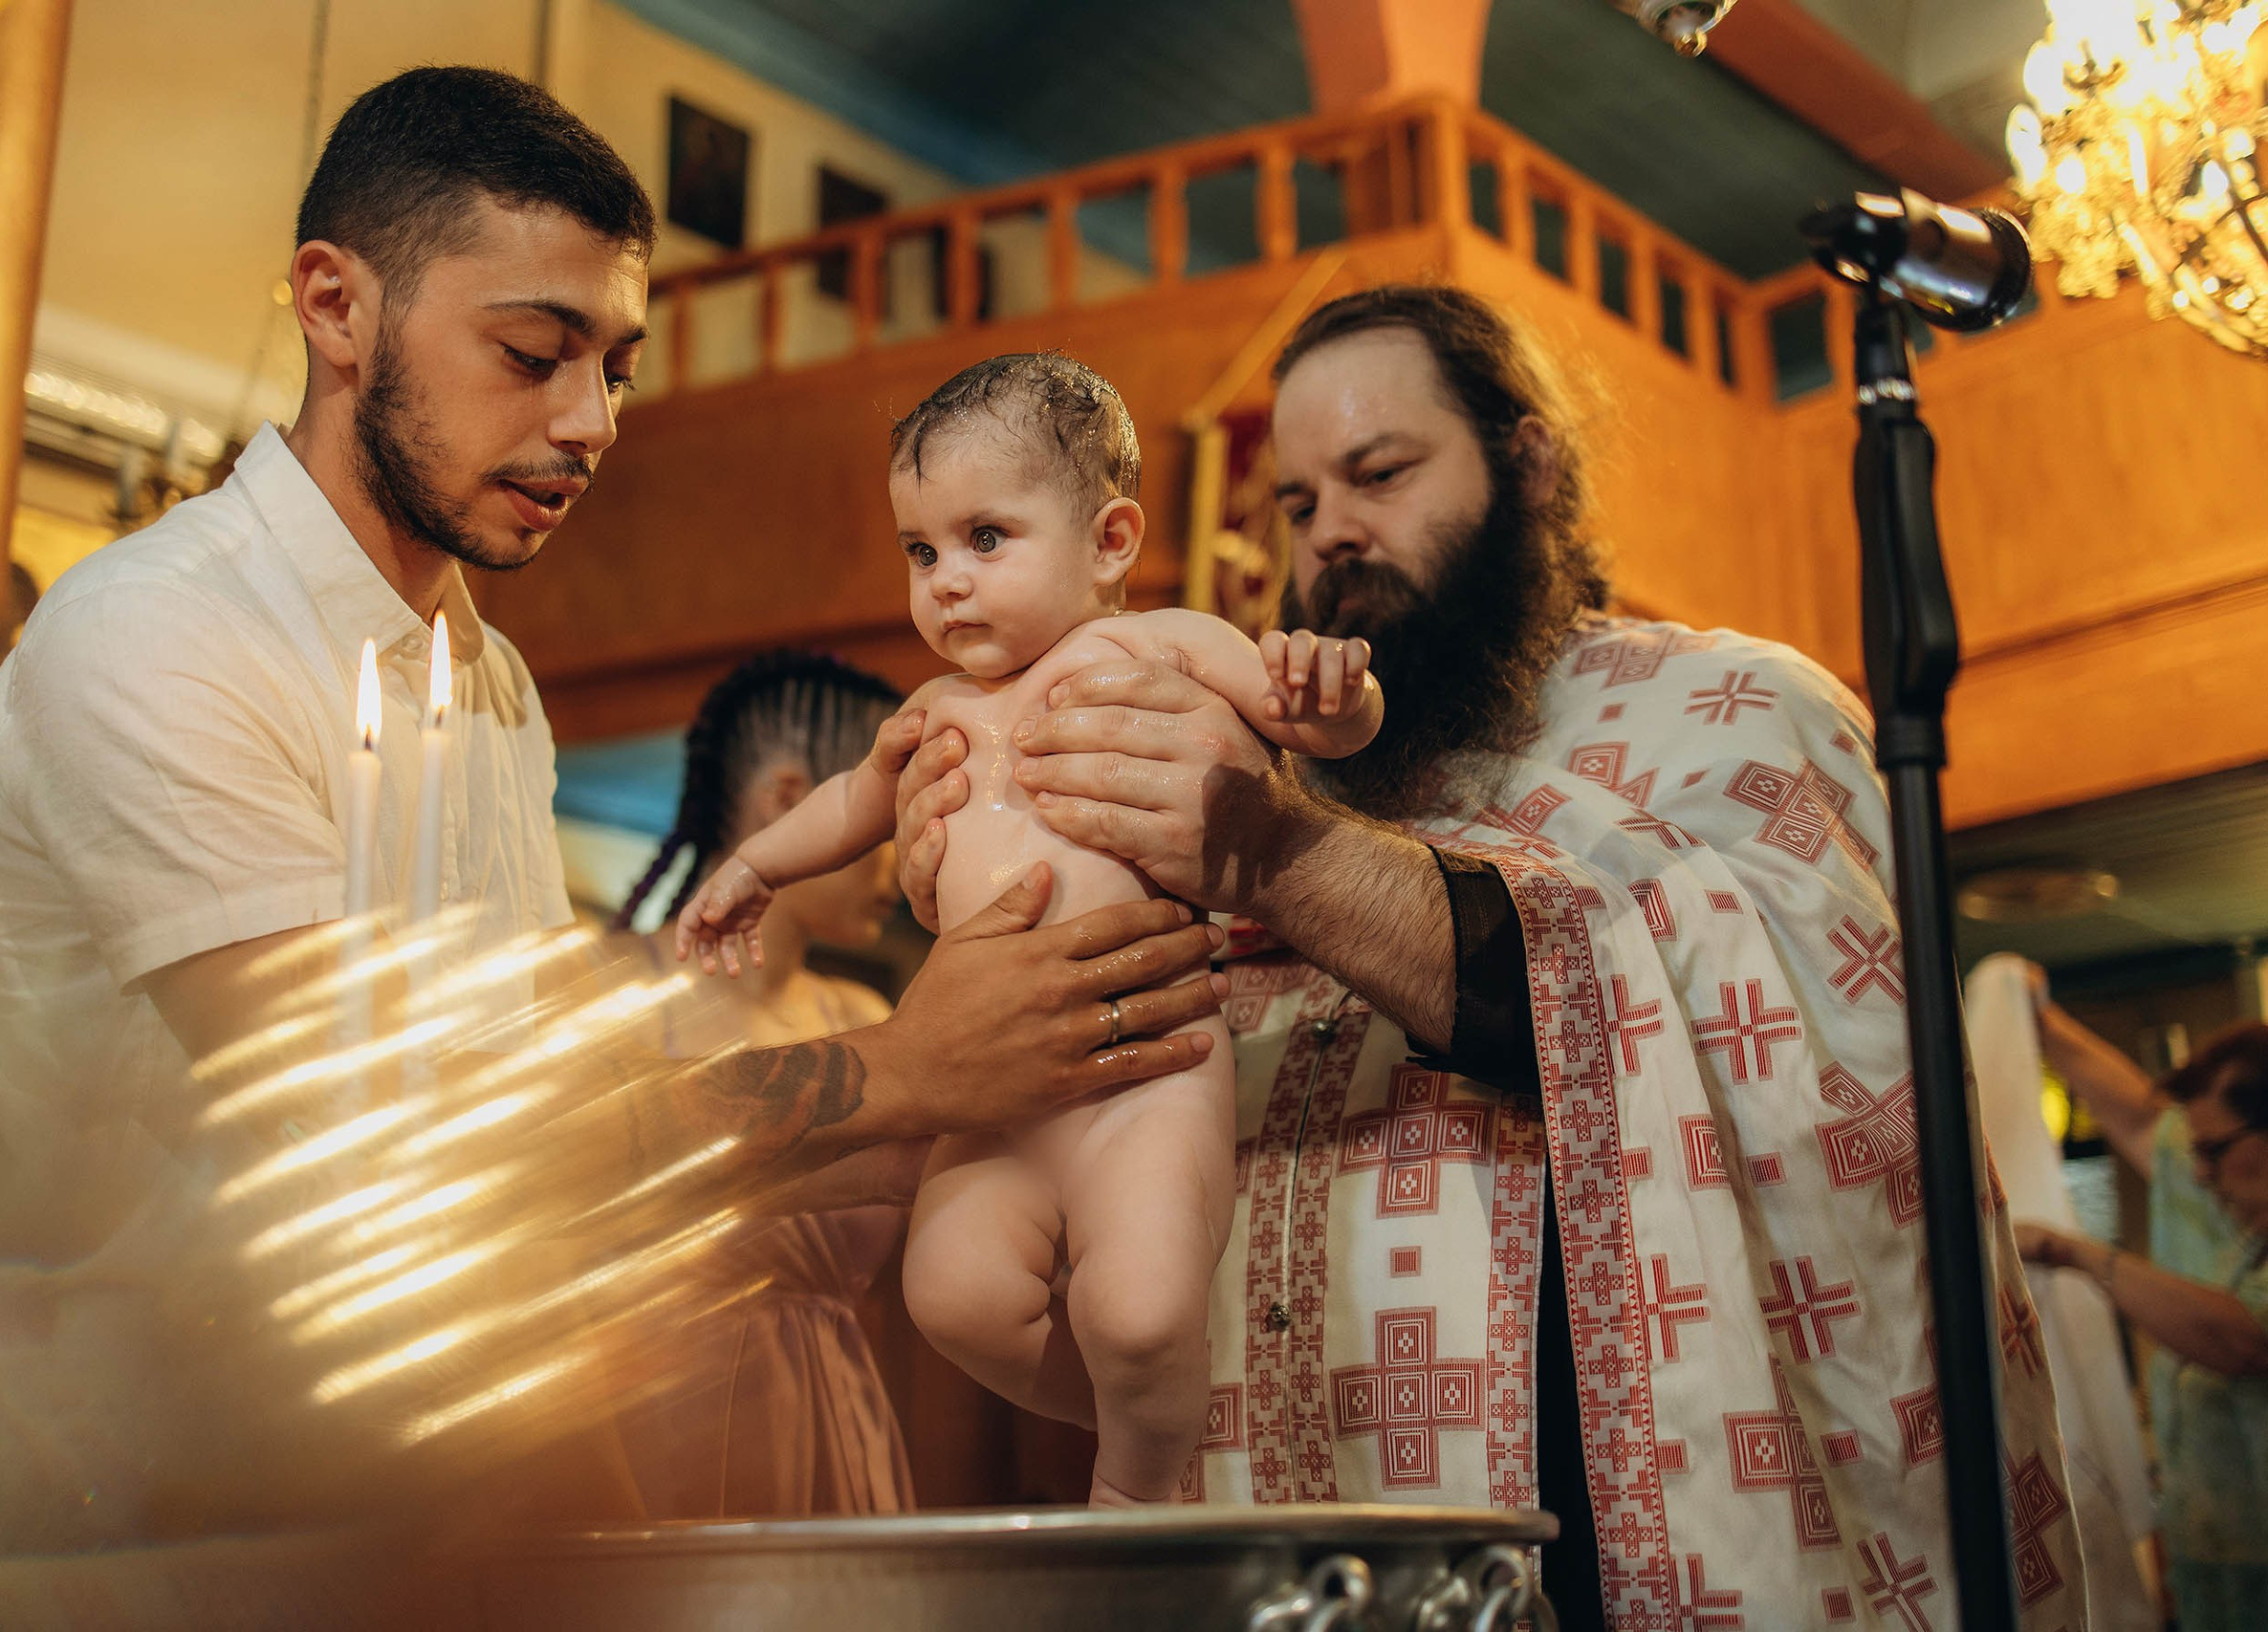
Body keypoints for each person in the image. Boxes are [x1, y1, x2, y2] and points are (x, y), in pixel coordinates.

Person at [0, 67, 1225, 1540]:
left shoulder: (488, 687)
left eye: (616, 367)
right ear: (334, 306)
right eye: (532, 349)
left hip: (429, 1449)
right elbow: (368, 1142)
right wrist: (900, 1073)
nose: (592, 420)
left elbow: (529, 1135)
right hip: (148, 1481)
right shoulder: (160, 635)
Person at [891, 287, 2085, 1628]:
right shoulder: (1250, 742)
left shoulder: (1733, 710)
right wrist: (955, 858)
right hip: (1281, 1524)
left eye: (1380, 471)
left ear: (1530, 464)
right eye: (1294, 504)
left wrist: (1281, 855)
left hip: (1592, 1528)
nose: (1331, 528)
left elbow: (1808, 1073)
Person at [677, 354, 1380, 1506]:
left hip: (1141, 1072)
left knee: (1139, 1303)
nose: (947, 582)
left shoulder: (1159, 644)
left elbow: (1300, 720)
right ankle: (1150, 1423)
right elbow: (853, 804)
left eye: (985, 538)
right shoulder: (934, 709)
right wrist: (753, 862)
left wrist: (1335, 700)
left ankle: (1140, 1485)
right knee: (950, 1295)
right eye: (922, 551)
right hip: (988, 1095)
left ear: (1108, 541)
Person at [602, 651, 921, 1518]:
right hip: (665, 1427)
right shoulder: (608, 991)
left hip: (844, 1413)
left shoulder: (866, 1012)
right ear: (787, 799)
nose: (906, 852)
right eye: (887, 817)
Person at [2014, 1011, 2268, 1632]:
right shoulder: (2244, 1242)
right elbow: (2142, 1119)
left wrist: (2074, 1250)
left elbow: (2243, 1338)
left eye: (2212, 1150)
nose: (2200, 1172)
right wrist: (2032, 1013)